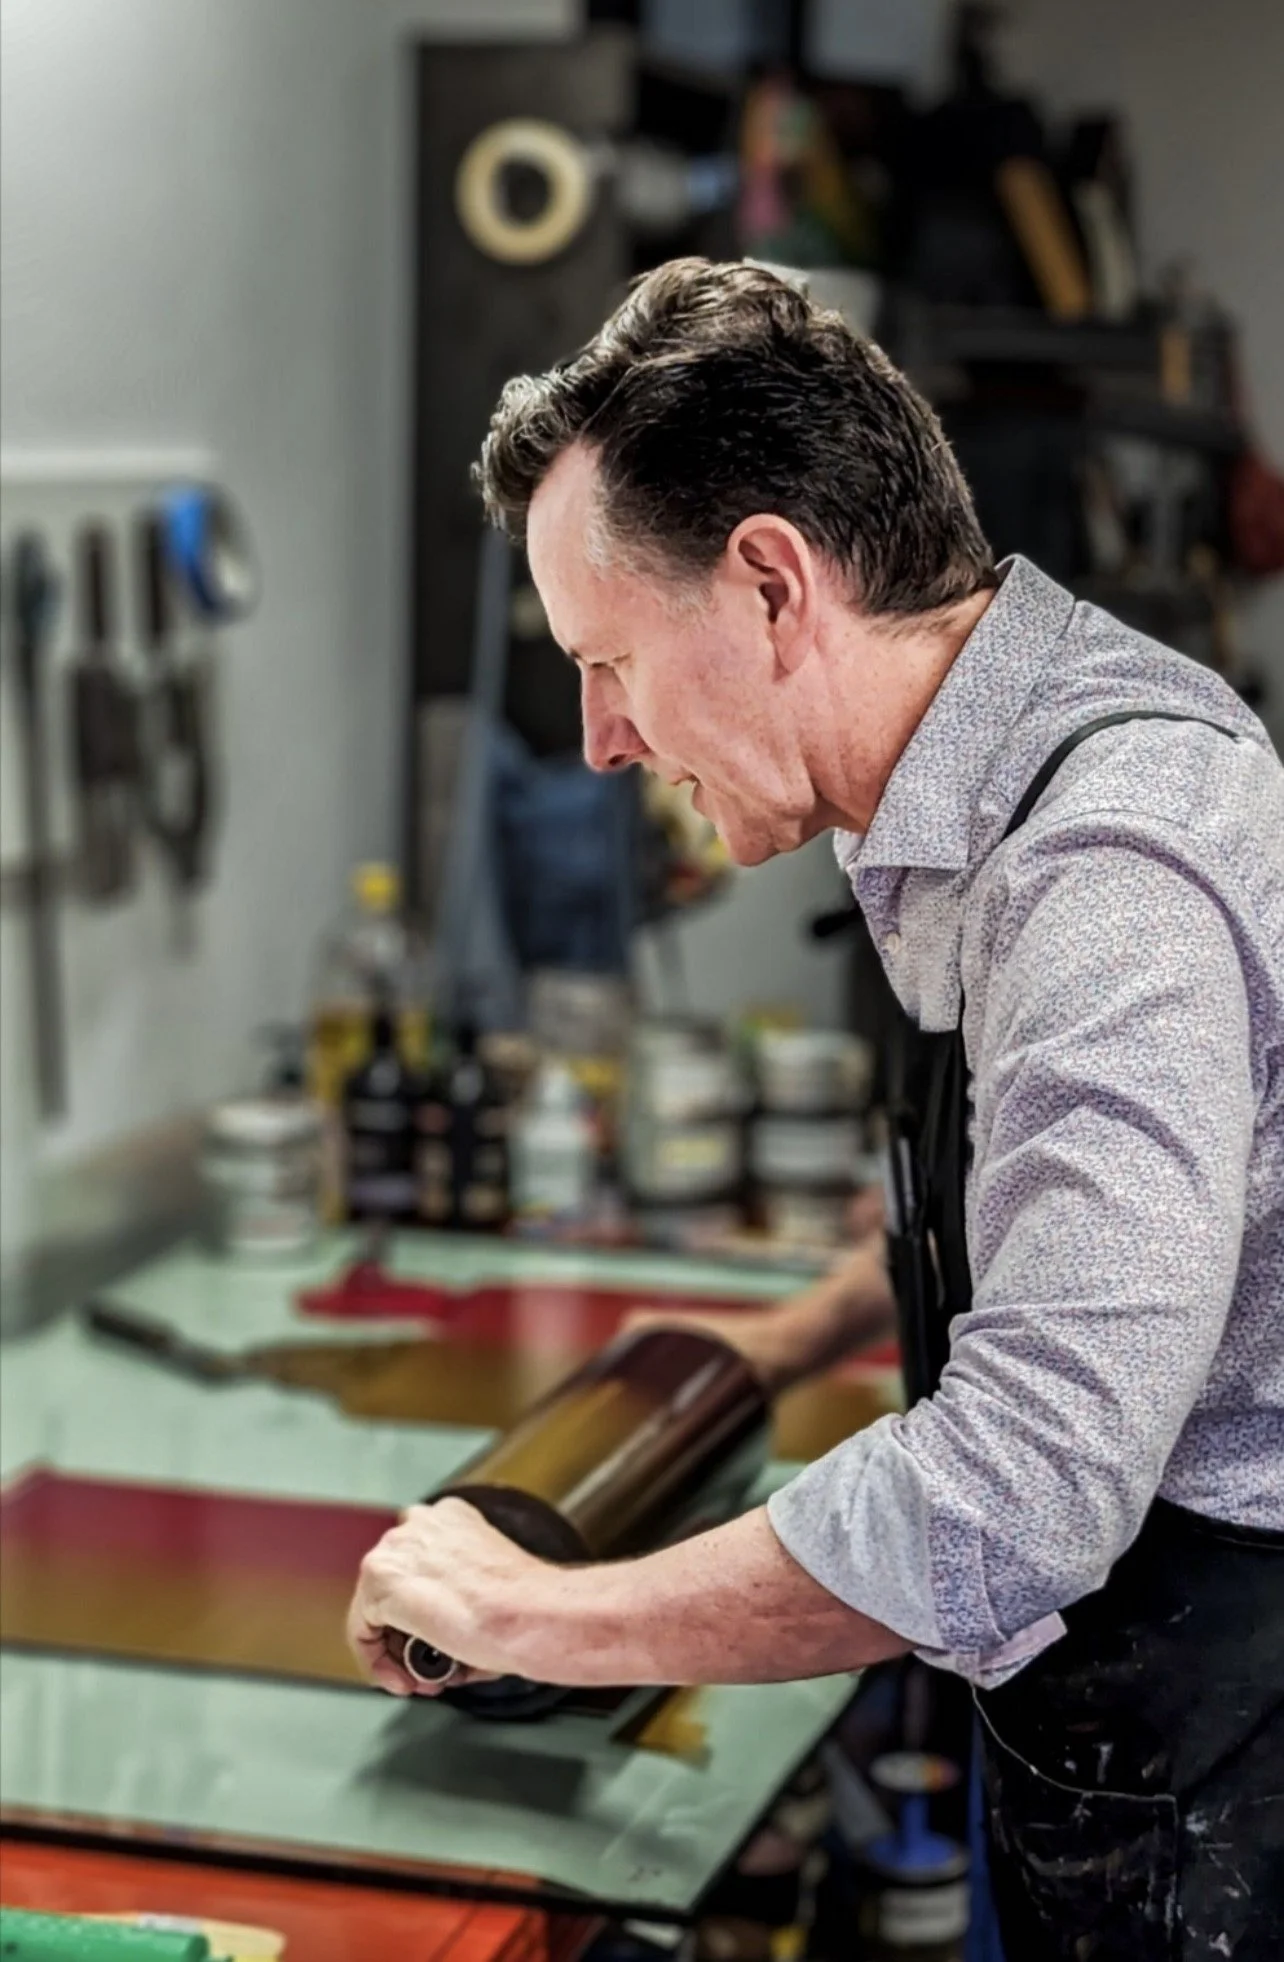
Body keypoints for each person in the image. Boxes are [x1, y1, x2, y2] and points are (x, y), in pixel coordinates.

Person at [348, 259, 1283, 1958]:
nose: (601, 738)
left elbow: (1019, 1494)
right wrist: (791, 1337)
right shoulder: (982, 762)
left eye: (611, 658)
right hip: (1116, 1709)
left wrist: (538, 1613)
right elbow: (1065, 1189)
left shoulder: (1104, 869)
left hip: (1224, 1742)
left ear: (773, 583)